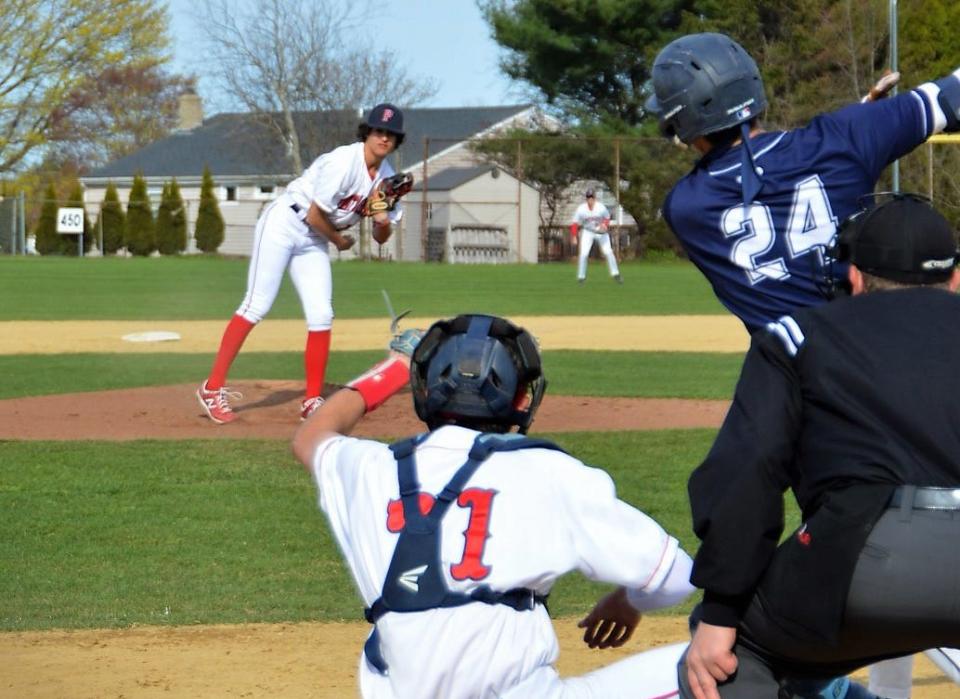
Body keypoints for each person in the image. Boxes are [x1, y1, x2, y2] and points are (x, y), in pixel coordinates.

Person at [645, 32, 960, 694]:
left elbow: (767, 185)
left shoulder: (688, 209)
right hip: (910, 357)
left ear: (681, 124)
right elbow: (950, 99)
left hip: (814, 393)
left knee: (820, 574)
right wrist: (866, 122)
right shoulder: (846, 136)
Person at [292, 313, 694, 698]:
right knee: (724, 655)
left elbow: (311, 437)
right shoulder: (549, 471)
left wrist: (396, 366)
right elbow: (675, 576)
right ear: (521, 399)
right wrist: (627, 601)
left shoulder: (371, 470)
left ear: (425, 390)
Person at [678, 194, 960, 699]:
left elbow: (747, 471)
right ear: (956, 277)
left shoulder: (799, 335)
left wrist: (721, 611)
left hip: (866, 556)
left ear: (854, 279)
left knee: (729, 654)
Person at [196, 103, 407, 424]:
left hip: (314, 239)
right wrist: (339, 241)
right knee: (256, 305)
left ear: (397, 141)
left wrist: (380, 218)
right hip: (285, 222)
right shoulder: (343, 161)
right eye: (379, 130)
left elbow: (381, 238)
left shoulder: (388, 178)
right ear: (367, 132)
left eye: (391, 134)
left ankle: (311, 400)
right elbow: (313, 214)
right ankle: (212, 388)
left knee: (322, 314)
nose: (384, 138)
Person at [571, 189, 623, 284]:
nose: (590, 200)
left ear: (595, 198)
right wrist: (574, 236)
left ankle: (616, 274)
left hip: (600, 232)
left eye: (592, 198)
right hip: (588, 231)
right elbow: (574, 223)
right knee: (583, 254)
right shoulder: (581, 209)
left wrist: (604, 225)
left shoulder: (601, 207)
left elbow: (607, 218)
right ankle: (581, 277)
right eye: (588, 198)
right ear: (586, 199)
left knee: (608, 252)